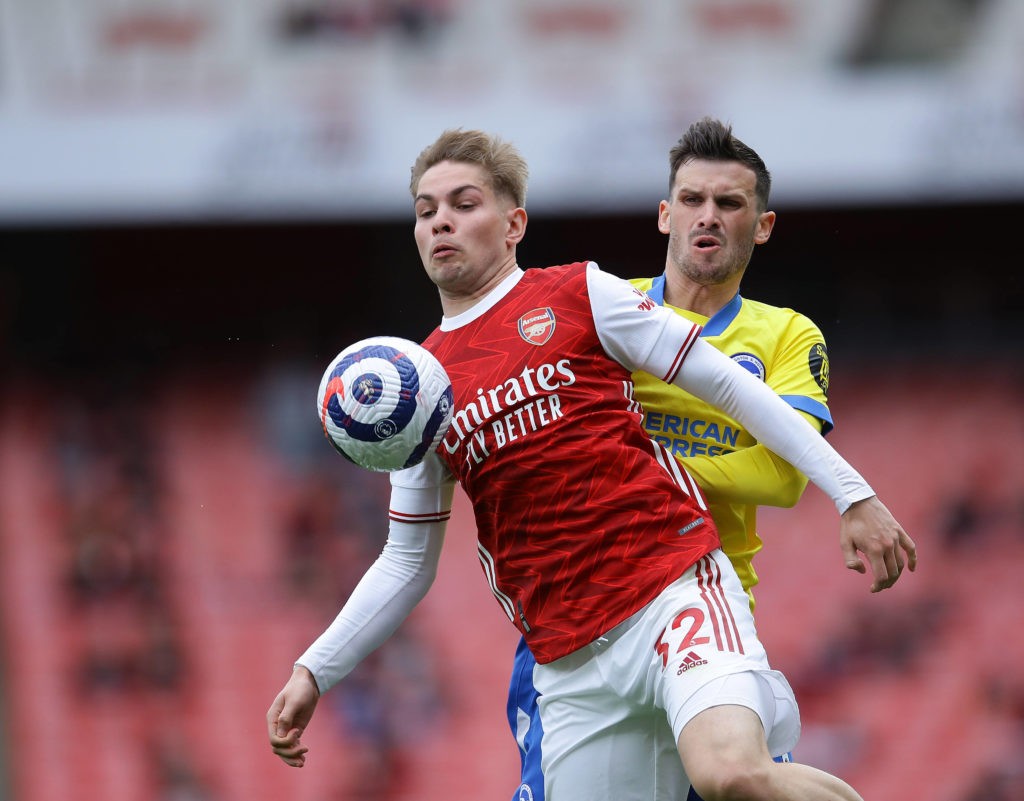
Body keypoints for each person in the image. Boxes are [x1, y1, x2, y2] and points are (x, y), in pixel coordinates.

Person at [267, 128, 917, 801]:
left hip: (671, 591)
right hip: (568, 658)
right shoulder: (420, 386)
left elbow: (728, 384)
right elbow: (407, 561)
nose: (442, 222)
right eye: (427, 210)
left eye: (464, 203)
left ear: (514, 223)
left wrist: (852, 493)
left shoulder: (581, 293)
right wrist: (314, 669)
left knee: (732, 773)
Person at [508, 117, 838, 801]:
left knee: (737, 781)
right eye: (691, 200)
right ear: (665, 214)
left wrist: (634, 470)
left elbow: (781, 474)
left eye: (730, 202)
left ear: (764, 224)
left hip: (702, 604)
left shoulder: (785, 334)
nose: (707, 216)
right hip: (582, 616)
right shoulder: (605, 311)